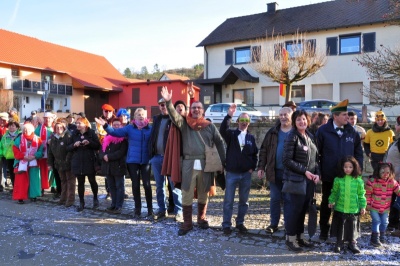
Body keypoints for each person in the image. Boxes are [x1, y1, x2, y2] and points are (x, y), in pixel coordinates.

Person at [160, 86, 226, 236]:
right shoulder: (185, 124)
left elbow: (220, 142)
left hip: (206, 164)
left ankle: (201, 219)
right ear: (191, 110)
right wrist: (169, 102)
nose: (196, 110)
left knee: (204, 193)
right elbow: (174, 117)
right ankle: (187, 223)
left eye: (199, 108)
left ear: (203, 111)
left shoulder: (210, 126)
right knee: (187, 193)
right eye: (194, 107)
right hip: (188, 164)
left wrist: (223, 162)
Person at [316, 99, 363, 241]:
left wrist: (357, 171)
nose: (347, 118)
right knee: (327, 202)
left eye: (347, 115)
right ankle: (324, 230)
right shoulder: (323, 131)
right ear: (335, 116)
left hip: (347, 175)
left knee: (346, 202)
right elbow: (317, 152)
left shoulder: (352, 131)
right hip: (329, 174)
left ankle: (342, 232)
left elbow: (358, 152)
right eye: (344, 115)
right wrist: (318, 171)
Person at [95, 108, 153, 218]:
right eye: (139, 115)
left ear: (146, 117)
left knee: (147, 185)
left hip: (146, 160)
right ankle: (137, 209)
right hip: (133, 161)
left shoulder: (150, 129)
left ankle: (150, 209)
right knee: (135, 185)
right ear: (134, 117)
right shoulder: (129, 128)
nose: (141, 116)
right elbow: (115, 132)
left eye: (143, 115)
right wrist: (106, 126)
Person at [282, 109, 320, 252]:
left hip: (309, 182)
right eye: (298, 120)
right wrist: (304, 171)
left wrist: (317, 173)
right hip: (295, 181)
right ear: (294, 122)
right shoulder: (292, 136)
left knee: (303, 210)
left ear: (308, 120)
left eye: (303, 119)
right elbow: (286, 160)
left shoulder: (310, 136)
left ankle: (300, 237)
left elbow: (316, 159)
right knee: (293, 211)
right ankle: (290, 239)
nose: (301, 122)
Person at [220, 104, 258, 235]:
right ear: (238, 122)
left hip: (246, 175)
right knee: (228, 201)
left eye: (246, 121)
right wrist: (229, 115)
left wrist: (252, 167)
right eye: (242, 120)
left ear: (249, 123)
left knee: (244, 201)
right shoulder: (231, 135)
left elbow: (254, 155)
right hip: (232, 173)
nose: (244, 123)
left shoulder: (251, 138)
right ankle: (226, 225)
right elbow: (222, 130)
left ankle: (240, 223)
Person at [257, 107, 293, 234]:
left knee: (289, 200)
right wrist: (261, 167)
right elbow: (264, 150)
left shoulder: (296, 132)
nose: (283, 117)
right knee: (275, 199)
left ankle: (289, 225)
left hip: (291, 174)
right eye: (281, 115)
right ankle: (274, 223)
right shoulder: (273, 132)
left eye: (286, 115)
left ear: (291, 115)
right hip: (274, 171)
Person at [149, 98, 183, 221]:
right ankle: (162, 209)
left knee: (175, 186)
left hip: (170, 158)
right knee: (159, 186)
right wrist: (151, 154)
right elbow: (153, 136)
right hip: (156, 157)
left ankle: (179, 211)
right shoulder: (156, 119)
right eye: (161, 105)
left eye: (165, 105)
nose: (163, 107)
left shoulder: (173, 119)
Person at [328, 156, 366, 253]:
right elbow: (334, 192)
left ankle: (352, 243)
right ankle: (339, 242)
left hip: (353, 209)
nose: (348, 169)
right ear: (342, 168)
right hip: (340, 208)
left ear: (354, 168)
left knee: (352, 227)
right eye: (345, 167)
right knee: (341, 226)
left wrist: (363, 206)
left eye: (350, 167)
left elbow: (361, 194)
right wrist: (331, 201)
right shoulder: (338, 180)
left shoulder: (358, 180)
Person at [68, 117, 101, 212]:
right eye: (77, 123)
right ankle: (81, 202)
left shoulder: (91, 133)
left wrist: (89, 142)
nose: (77, 125)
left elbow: (97, 145)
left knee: (92, 181)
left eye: (79, 123)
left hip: (89, 160)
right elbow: (68, 147)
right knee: (80, 182)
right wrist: (74, 145)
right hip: (78, 160)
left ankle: (95, 198)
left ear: (85, 124)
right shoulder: (74, 134)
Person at [366, 162, 400, 246]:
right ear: (378, 172)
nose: (385, 174)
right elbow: (368, 194)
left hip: (385, 208)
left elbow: (398, 190)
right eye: (383, 172)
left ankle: (382, 236)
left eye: (388, 173)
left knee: (385, 222)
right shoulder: (372, 182)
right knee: (376, 221)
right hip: (374, 207)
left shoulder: (392, 182)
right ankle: (374, 239)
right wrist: (368, 204)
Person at [99, 118, 128, 214]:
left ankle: (119, 205)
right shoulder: (107, 137)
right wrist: (103, 156)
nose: (116, 126)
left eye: (118, 125)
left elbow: (121, 152)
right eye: (114, 125)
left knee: (119, 186)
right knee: (111, 186)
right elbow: (101, 150)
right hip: (108, 166)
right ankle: (113, 204)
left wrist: (109, 156)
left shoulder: (123, 138)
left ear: (121, 126)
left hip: (118, 166)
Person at [12, 122, 43, 203]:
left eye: (28, 129)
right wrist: (23, 157)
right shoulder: (18, 139)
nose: (26, 131)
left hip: (33, 161)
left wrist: (34, 156)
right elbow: (15, 150)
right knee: (21, 180)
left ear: (32, 130)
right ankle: (20, 197)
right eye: (24, 129)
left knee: (34, 179)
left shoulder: (38, 139)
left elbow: (41, 151)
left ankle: (33, 196)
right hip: (21, 162)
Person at [47, 118, 75, 207]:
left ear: (63, 128)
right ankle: (63, 198)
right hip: (59, 164)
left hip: (68, 163)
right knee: (63, 181)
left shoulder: (68, 136)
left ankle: (70, 199)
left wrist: (67, 161)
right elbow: (50, 153)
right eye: (57, 128)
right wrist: (50, 164)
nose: (58, 129)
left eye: (60, 127)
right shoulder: (54, 138)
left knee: (70, 182)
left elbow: (71, 151)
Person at [96, 104, 116, 199]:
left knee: (116, 171)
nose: (107, 113)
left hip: (114, 147)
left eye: (109, 111)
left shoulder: (116, 120)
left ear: (112, 112)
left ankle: (118, 191)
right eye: (105, 111)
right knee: (106, 171)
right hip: (103, 147)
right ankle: (109, 191)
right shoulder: (99, 121)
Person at [34, 111, 54, 194]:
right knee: (43, 170)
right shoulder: (39, 129)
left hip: (53, 153)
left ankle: (53, 186)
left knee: (53, 170)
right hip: (43, 152)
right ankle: (42, 187)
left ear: (52, 119)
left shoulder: (55, 127)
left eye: (49, 118)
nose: (47, 120)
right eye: (46, 118)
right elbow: (35, 139)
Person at [386, 115, 400, 233]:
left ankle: (395, 225)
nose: (395, 126)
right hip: (394, 178)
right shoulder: (398, 141)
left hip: (398, 178)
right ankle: (393, 224)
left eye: (397, 124)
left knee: (397, 203)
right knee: (393, 202)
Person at [0, 120, 21, 190]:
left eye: (13, 126)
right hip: (9, 156)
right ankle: (15, 187)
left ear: (17, 127)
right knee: (12, 173)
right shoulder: (5, 135)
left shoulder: (20, 135)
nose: (11, 127)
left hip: (18, 157)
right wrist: (2, 154)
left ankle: (19, 187)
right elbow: (1, 145)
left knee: (18, 173)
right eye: (9, 126)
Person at [0, 112, 9, 191]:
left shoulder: (8, 128)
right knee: (2, 168)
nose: (2, 121)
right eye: (1, 120)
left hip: (7, 152)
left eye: (4, 120)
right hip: (1, 151)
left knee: (5, 167)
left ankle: (4, 181)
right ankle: (2, 183)